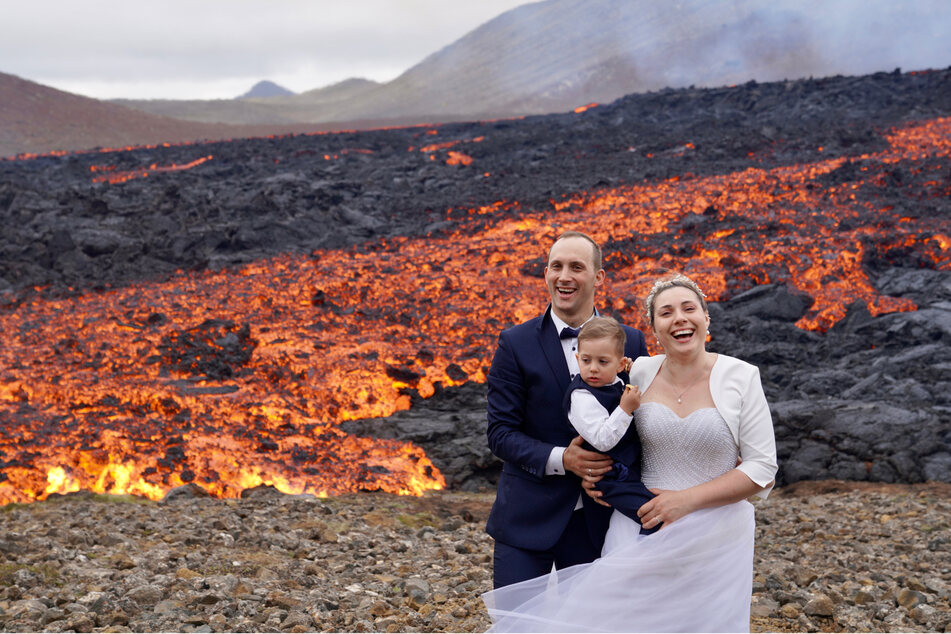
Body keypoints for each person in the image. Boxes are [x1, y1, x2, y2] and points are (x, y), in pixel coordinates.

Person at [483, 272, 778, 633]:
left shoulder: (742, 376)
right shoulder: (639, 370)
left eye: (689, 308)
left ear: (706, 318)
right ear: (652, 329)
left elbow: (763, 466)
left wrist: (684, 501)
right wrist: (593, 474)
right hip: (636, 523)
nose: (679, 318)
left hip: (714, 531)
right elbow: (612, 434)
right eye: (666, 312)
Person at [484, 231, 650, 590]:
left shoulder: (632, 341)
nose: (564, 276)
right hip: (527, 514)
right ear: (546, 273)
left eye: (576, 267)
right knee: (517, 627)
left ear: (598, 277)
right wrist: (565, 459)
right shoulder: (515, 343)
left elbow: (648, 423)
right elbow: (500, 433)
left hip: (603, 518)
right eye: (556, 266)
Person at [563, 316, 657, 532]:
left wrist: (636, 370)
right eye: (586, 361)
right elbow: (602, 440)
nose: (593, 369)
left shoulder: (617, 381)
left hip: (632, 466)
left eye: (602, 362)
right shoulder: (581, 397)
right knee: (651, 514)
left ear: (620, 364)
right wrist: (625, 409)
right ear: (578, 359)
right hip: (610, 476)